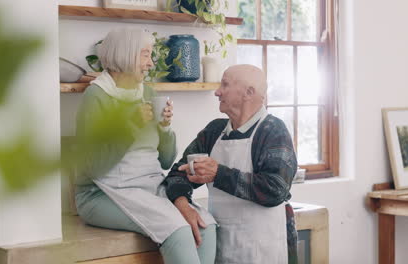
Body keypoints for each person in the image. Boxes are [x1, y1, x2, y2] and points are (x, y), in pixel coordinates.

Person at [74, 28, 217, 264]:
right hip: (100, 194)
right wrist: (131, 125)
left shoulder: (148, 94)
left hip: (149, 186)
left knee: (205, 225)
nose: (150, 64)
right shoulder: (96, 97)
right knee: (178, 231)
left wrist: (164, 128)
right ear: (125, 54)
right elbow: (94, 167)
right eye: (145, 55)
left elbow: (166, 161)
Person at [164, 64, 298, 264]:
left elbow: (276, 189)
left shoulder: (273, 130)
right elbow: (177, 174)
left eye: (224, 85)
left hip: (262, 251)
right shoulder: (214, 131)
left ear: (248, 93)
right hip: (222, 247)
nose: (217, 92)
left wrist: (218, 174)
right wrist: (183, 205)